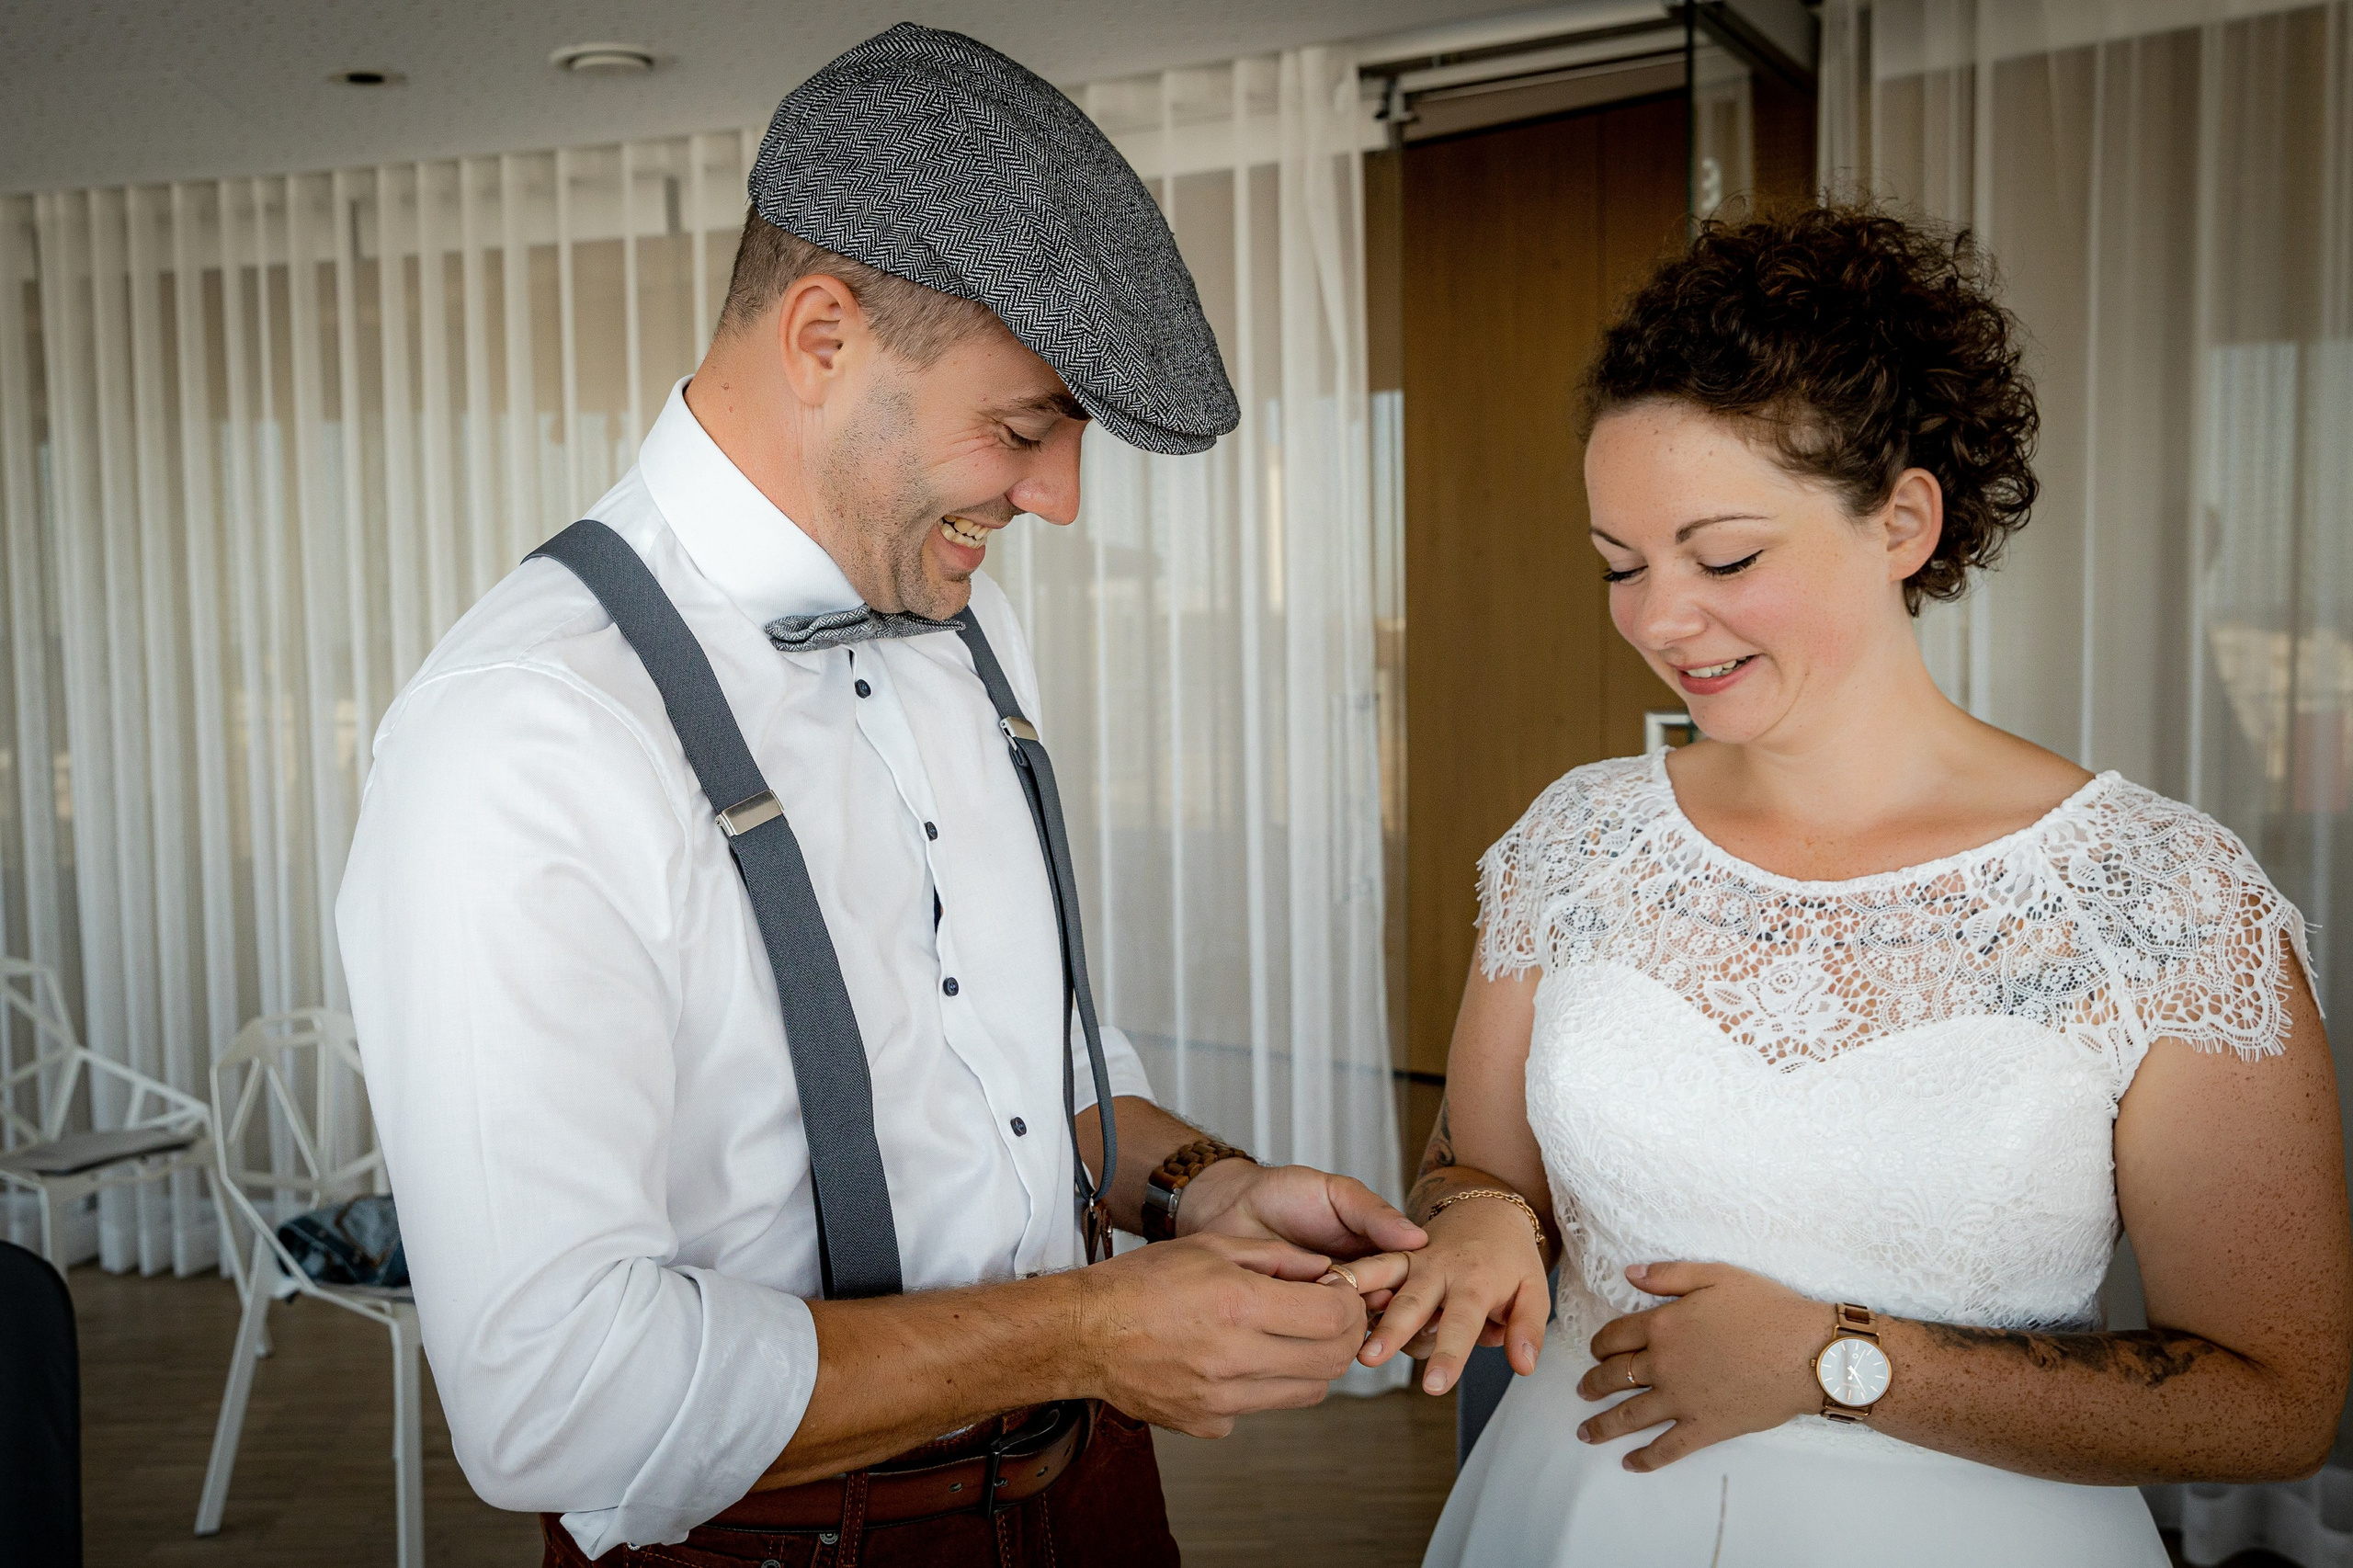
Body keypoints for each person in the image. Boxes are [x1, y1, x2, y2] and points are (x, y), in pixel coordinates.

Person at [337, 25, 1419, 1568]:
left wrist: (1202, 1189)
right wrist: (1090, 1330)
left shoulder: (958, 612)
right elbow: (552, 1402)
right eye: (1027, 424)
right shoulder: (525, 736)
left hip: (1094, 1504)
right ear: (824, 335)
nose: (1056, 496)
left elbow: (1017, 1071)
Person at [1345, 206, 2353, 1565]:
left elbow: (2276, 1402)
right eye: (1620, 566)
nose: (1657, 620)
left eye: (1726, 556)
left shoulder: (2162, 903)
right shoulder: (1574, 843)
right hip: (1567, 1514)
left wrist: (1841, 1361)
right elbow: (1478, 1168)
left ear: (1903, 520)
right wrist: (1475, 1214)